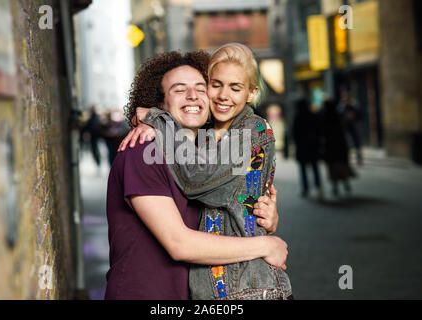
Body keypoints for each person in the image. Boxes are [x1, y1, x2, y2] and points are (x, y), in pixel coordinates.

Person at [105, 50, 288, 300]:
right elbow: (179, 243)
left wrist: (266, 215)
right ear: (160, 102)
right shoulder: (143, 150)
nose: (192, 95)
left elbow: (233, 204)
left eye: (201, 88)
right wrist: (266, 245)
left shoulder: (206, 151)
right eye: (179, 89)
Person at [321, 99, 355, 197]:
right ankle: (346, 184)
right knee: (342, 165)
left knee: (333, 167)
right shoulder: (338, 117)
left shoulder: (325, 118)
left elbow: (322, 132)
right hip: (340, 145)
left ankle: (335, 187)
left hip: (330, 146)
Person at [292, 98, 323, 199]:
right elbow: (319, 131)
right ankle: (318, 188)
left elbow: (294, 134)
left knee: (303, 169)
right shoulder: (313, 116)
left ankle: (305, 189)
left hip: (302, 147)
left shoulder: (298, 118)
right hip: (313, 146)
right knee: (315, 167)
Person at [337, 91, 363, 165]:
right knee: (346, 144)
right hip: (345, 128)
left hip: (353, 126)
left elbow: (359, 115)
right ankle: (347, 159)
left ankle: (359, 158)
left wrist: (354, 117)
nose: (345, 100)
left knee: (357, 143)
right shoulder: (341, 106)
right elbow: (339, 115)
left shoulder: (353, 105)